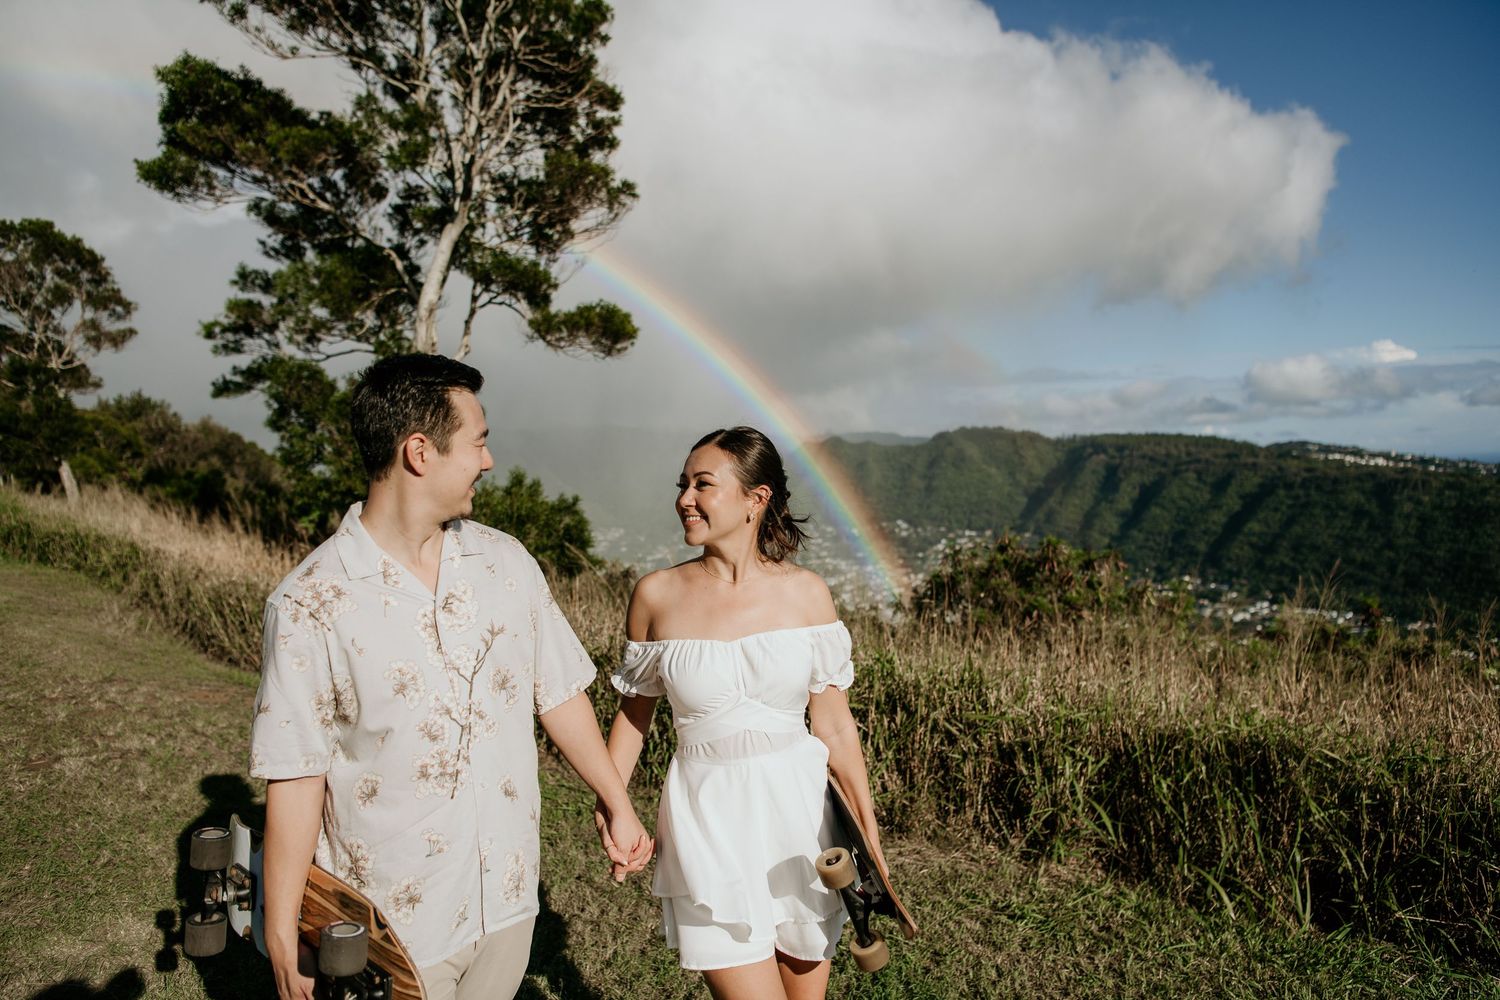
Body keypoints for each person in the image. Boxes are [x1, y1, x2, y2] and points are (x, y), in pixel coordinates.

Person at [248, 353, 651, 1000]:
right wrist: (280, 928)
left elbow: (559, 695)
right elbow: (296, 775)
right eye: (478, 441)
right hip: (388, 930)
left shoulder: (506, 562)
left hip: (509, 901)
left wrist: (618, 800)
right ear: (419, 452)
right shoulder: (311, 604)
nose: (488, 461)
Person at [598, 426, 889, 1000]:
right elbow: (634, 716)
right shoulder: (656, 595)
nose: (684, 497)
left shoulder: (808, 594)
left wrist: (868, 829)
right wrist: (611, 803)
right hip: (706, 819)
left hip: (800, 820)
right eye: (682, 484)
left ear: (757, 499)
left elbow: (832, 724)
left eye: (703, 484)